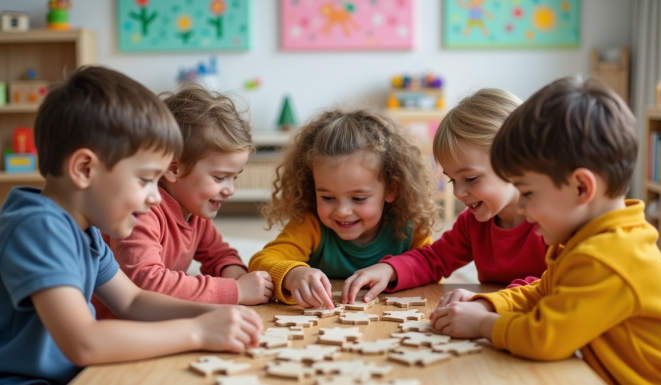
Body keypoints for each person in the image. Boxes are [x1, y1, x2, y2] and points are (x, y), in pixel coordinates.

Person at [0, 67, 262, 385]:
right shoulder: (39, 227)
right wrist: (198, 331)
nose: (156, 197)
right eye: (145, 179)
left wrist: (213, 315)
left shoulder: (86, 232)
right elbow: (85, 342)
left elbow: (133, 300)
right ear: (85, 169)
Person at [431, 77, 661, 384]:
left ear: (581, 188)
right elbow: (544, 290)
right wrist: (489, 303)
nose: (524, 209)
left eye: (528, 194)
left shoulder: (606, 257)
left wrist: (484, 325)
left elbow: (545, 338)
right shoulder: (586, 239)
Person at [342, 89, 547, 304]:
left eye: (470, 178)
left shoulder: (555, 221)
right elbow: (435, 259)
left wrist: (488, 302)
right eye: (452, 180)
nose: (458, 193)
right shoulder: (472, 223)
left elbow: (555, 284)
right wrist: (389, 269)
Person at [94, 84, 273, 320]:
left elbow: (219, 255)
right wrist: (236, 290)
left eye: (234, 177)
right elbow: (146, 283)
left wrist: (240, 277)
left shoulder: (195, 210)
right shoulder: (142, 211)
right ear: (174, 168)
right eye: (220, 177)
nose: (230, 190)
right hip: (113, 327)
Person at [249, 109, 438, 309]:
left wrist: (391, 270)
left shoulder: (409, 227)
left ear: (391, 189)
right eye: (328, 197)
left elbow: (432, 270)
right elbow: (260, 262)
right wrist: (292, 274)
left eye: (358, 198)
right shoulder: (310, 225)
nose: (342, 211)